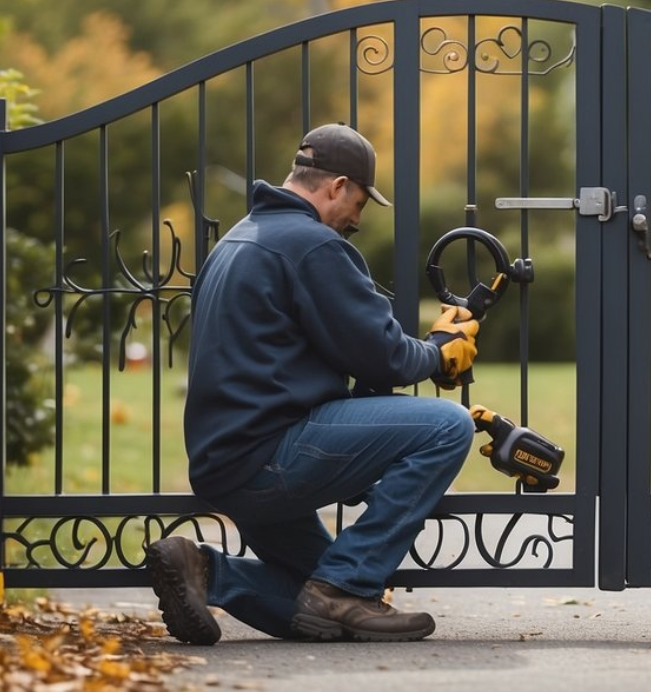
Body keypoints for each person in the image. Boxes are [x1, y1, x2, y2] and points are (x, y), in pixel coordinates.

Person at [145, 123, 481, 644]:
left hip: (226, 464)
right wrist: (439, 350)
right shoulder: (311, 245)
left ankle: (207, 571)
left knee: (318, 615)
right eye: (361, 204)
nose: (357, 220)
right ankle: (346, 588)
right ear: (337, 185)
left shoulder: (239, 239)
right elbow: (385, 357)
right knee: (448, 427)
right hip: (271, 456)